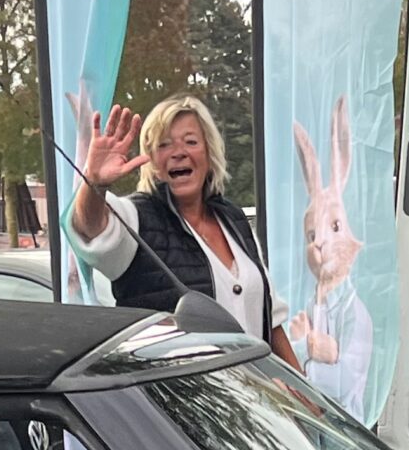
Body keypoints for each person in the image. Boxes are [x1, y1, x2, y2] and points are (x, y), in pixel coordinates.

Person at [68, 94, 304, 370]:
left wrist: (303, 388)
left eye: (190, 141)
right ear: (152, 161)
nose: (178, 152)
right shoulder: (137, 217)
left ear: (209, 153)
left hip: (249, 395)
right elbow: (90, 227)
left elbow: (271, 318)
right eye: (164, 144)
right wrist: (94, 183)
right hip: (174, 396)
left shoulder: (234, 220)